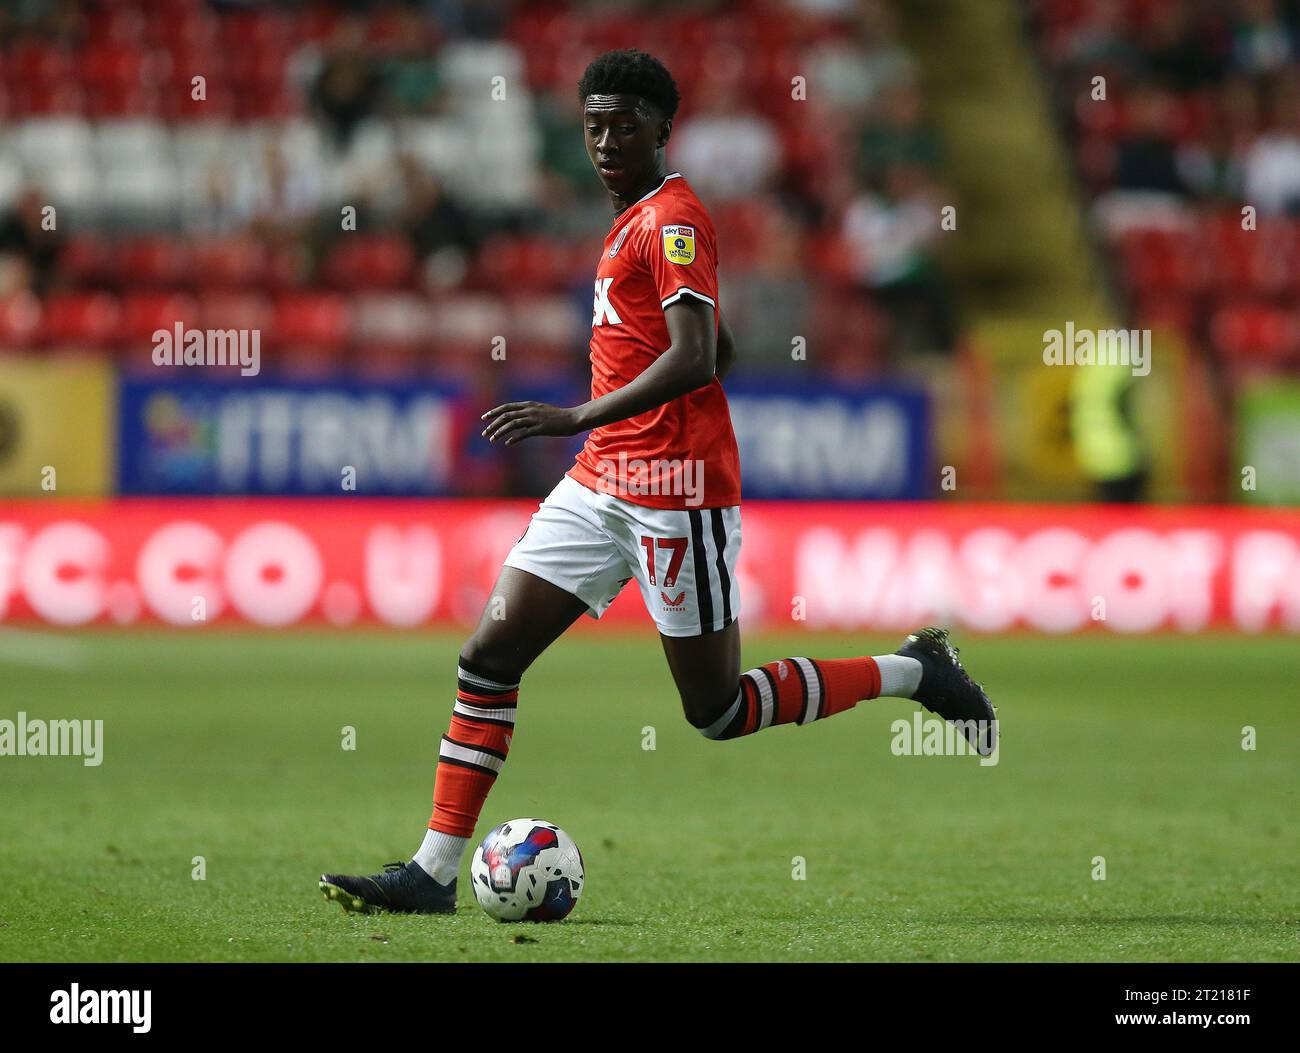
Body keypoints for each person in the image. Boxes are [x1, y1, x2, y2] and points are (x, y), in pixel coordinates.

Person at [320, 50, 996, 915]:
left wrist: (577, 414)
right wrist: (629, 411)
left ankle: (914, 671)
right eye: (595, 125)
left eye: (624, 126)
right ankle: (432, 872)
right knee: (488, 656)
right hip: (599, 484)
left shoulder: (673, 219)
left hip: (676, 491)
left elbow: (687, 356)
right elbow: (707, 346)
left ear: (660, 130)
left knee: (715, 710)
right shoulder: (629, 217)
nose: (605, 141)